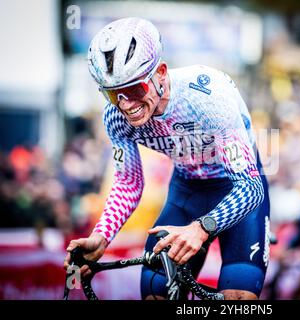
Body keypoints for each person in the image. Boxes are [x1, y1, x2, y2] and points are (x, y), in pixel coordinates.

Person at [63, 17, 270, 300]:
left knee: (237, 300)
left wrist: (202, 228)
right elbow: (128, 184)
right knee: (155, 297)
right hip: (187, 190)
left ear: (160, 73)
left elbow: (250, 186)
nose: (127, 105)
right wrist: (101, 236)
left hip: (236, 189)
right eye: (113, 94)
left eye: (135, 89)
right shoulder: (115, 118)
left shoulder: (208, 98)